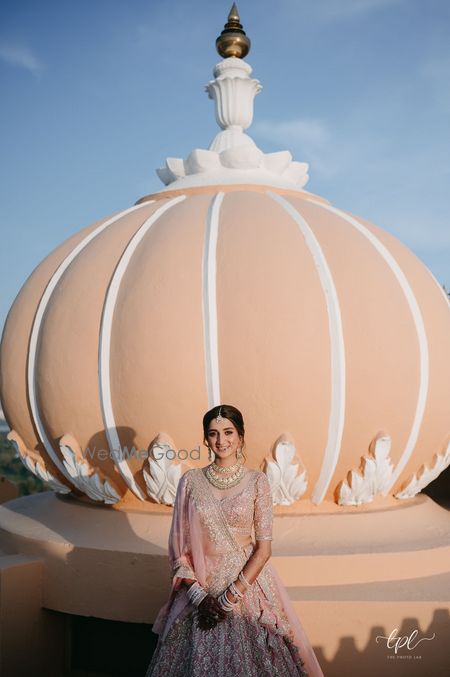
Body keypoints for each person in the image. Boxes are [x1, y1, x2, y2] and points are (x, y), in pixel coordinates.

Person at [145, 404, 324, 676]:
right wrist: (199, 596)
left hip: (246, 586)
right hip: (200, 590)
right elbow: (179, 551)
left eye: (228, 432)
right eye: (213, 433)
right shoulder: (190, 482)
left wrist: (229, 598)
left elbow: (263, 550)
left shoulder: (257, 481)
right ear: (206, 439)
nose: (221, 440)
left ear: (241, 437)